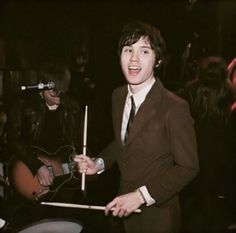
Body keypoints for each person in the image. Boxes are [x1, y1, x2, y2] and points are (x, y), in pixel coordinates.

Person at [75, 20, 199, 233]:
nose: (133, 58)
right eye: (128, 49)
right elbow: (123, 142)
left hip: (158, 219)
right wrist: (99, 163)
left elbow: (188, 167)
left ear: (157, 60)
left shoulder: (174, 107)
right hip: (122, 211)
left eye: (144, 51)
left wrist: (141, 195)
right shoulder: (118, 96)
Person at [5, 62, 87, 229]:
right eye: (53, 93)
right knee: (34, 225)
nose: (59, 98)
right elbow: (12, 140)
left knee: (64, 225)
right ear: (41, 87)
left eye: (62, 93)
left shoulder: (72, 108)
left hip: (64, 178)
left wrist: (78, 156)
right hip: (30, 174)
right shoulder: (24, 105)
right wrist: (37, 166)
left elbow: (79, 142)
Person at [178, 56, 236, 233]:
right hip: (220, 162)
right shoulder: (228, 95)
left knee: (192, 209)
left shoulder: (189, 92)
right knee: (214, 210)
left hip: (193, 158)